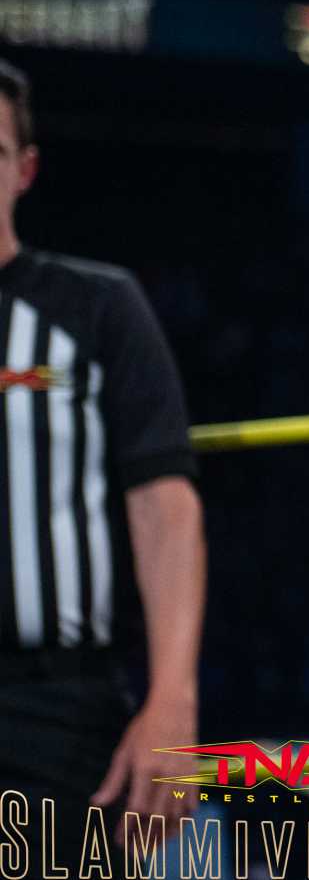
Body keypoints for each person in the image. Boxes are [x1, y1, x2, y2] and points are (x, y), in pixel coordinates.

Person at [0, 58, 207, 853]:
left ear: (24, 170)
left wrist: (172, 700)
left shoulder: (95, 307)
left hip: (55, 709)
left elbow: (165, 507)